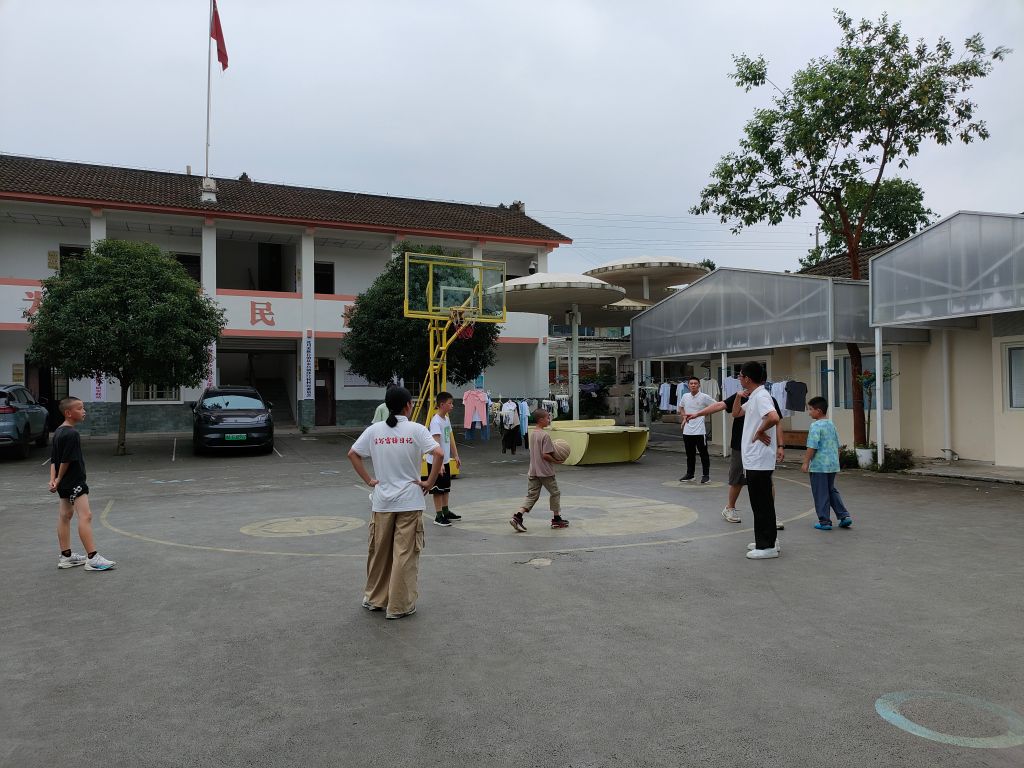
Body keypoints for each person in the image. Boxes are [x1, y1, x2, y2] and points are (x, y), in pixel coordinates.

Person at [349, 386, 443, 620]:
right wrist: (429, 482)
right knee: (404, 554)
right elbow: (439, 454)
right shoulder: (416, 429)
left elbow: (353, 454)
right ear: (408, 405)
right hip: (410, 501)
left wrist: (369, 480)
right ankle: (399, 605)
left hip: (382, 502)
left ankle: (375, 598)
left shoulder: (374, 430)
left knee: (379, 552)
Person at [686, 389, 786, 523]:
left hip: (762, 445)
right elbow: (722, 406)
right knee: (737, 478)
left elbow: (777, 421)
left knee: (767, 480)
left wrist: (780, 445)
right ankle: (730, 507)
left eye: (742, 378)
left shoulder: (767, 398)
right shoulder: (742, 397)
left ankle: (770, 513)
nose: (740, 379)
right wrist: (697, 414)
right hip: (741, 445)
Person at [49, 397, 115, 571]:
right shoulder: (72, 434)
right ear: (68, 413)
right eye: (80, 408)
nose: (84, 411)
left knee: (65, 516)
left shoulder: (58, 432)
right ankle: (92, 558)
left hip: (64, 483)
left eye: (83, 407)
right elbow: (65, 460)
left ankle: (66, 556)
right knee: (86, 516)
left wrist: (53, 479)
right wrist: (59, 478)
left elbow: (53, 460)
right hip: (74, 481)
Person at [734, 362, 782, 559]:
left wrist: (760, 431)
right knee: (761, 503)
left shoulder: (761, 396)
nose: (739, 378)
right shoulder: (754, 396)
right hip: (755, 459)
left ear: (747, 378)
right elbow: (736, 413)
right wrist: (738, 397)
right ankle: (768, 540)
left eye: (740, 375)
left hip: (759, 459)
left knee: (761, 504)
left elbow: (774, 417)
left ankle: (767, 546)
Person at [510, 408, 569, 531]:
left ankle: (517, 516)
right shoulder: (545, 435)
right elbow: (545, 455)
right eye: (547, 418)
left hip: (533, 470)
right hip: (545, 471)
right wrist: (557, 461)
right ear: (541, 420)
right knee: (555, 493)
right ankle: (556, 519)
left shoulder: (533, 434)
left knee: (532, 496)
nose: (549, 420)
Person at [801, 396, 853, 531]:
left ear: (818, 411)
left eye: (811, 410)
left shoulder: (815, 426)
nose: (809, 413)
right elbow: (838, 446)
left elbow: (812, 446)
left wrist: (806, 462)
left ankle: (824, 521)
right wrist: (836, 460)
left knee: (820, 492)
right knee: (831, 490)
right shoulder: (831, 424)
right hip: (832, 465)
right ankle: (844, 516)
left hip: (819, 466)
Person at [424, 391, 462, 527]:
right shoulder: (436, 421)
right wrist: (438, 463)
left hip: (444, 460)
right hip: (436, 462)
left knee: (446, 488)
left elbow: (450, 437)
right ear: (441, 405)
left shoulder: (446, 419)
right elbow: (436, 444)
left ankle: (446, 512)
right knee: (438, 490)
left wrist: (455, 455)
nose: (452, 406)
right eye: (450, 403)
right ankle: (438, 516)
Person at [677, 376, 716, 483]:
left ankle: (706, 476)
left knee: (703, 454)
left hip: (700, 431)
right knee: (690, 454)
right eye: (691, 383)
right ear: (688, 385)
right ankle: (690, 475)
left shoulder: (704, 397)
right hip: (687, 431)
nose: (693, 385)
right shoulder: (685, 396)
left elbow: (716, 405)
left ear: (699, 385)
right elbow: (681, 407)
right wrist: (684, 417)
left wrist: (706, 413)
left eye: (695, 383)